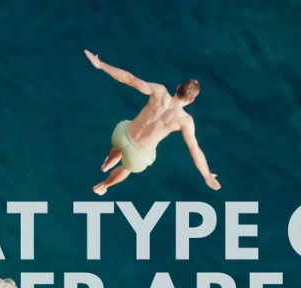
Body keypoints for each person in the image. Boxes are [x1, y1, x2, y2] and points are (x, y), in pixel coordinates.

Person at [84, 50, 220, 195]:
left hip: (122, 134)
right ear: (191, 100)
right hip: (138, 154)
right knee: (126, 168)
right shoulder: (185, 120)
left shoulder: (159, 91)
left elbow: (128, 78)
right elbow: (194, 150)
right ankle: (102, 186)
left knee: (120, 145)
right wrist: (206, 175)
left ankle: (107, 164)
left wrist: (100, 64)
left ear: (178, 87)